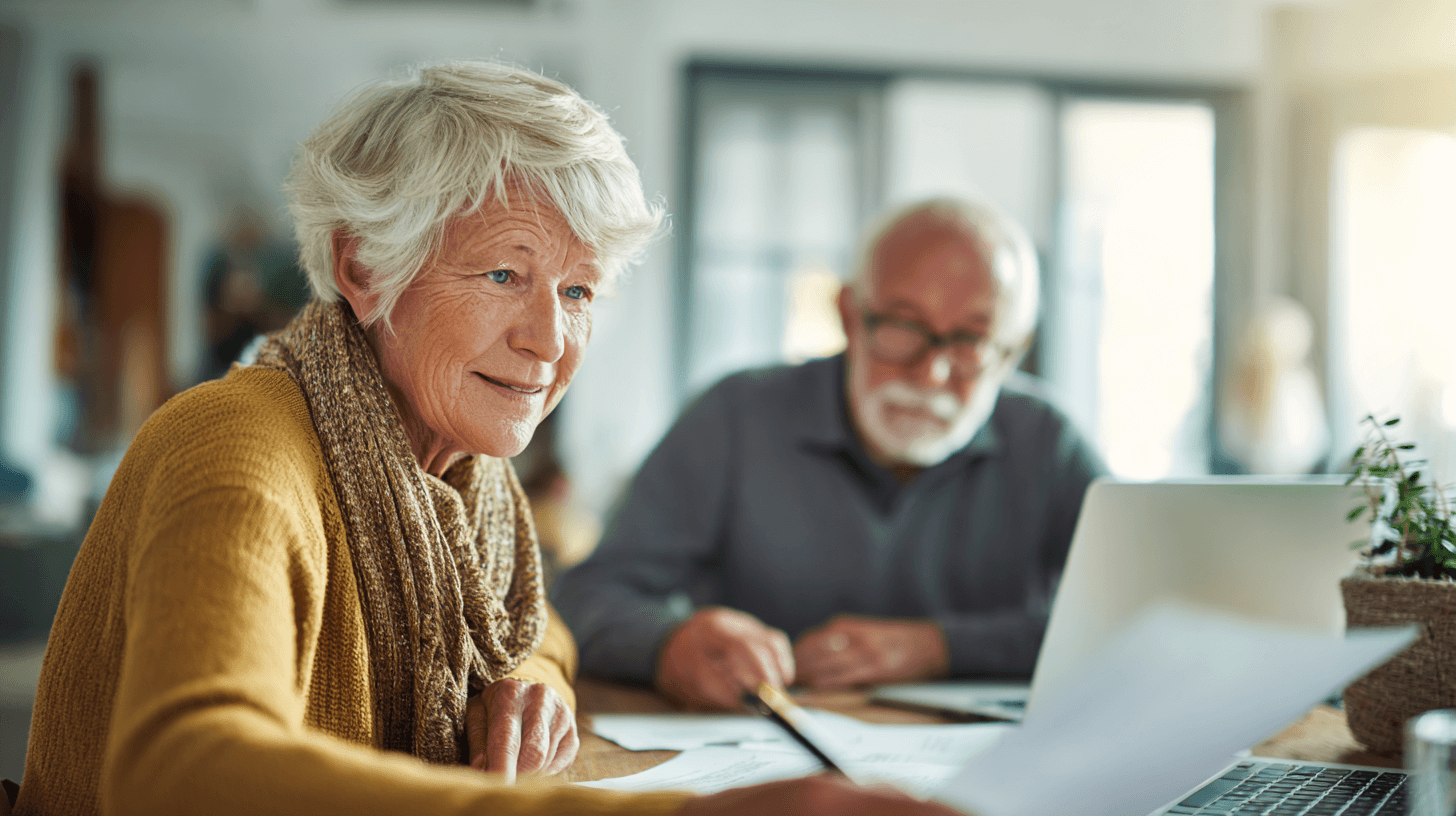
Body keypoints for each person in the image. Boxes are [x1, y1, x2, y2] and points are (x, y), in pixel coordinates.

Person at [9, 62, 959, 816]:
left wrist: (530, 678)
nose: (549, 341)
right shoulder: (235, 447)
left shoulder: (463, 469)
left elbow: (541, 628)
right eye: (506, 274)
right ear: (364, 265)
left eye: (578, 291)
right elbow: (181, 774)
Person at [553, 197, 1106, 711]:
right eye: (903, 326)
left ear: (1012, 351)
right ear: (848, 314)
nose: (930, 373)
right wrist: (668, 643)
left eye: (970, 342)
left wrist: (941, 647)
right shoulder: (734, 417)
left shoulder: (1048, 443)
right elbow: (586, 598)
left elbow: (1146, 617)